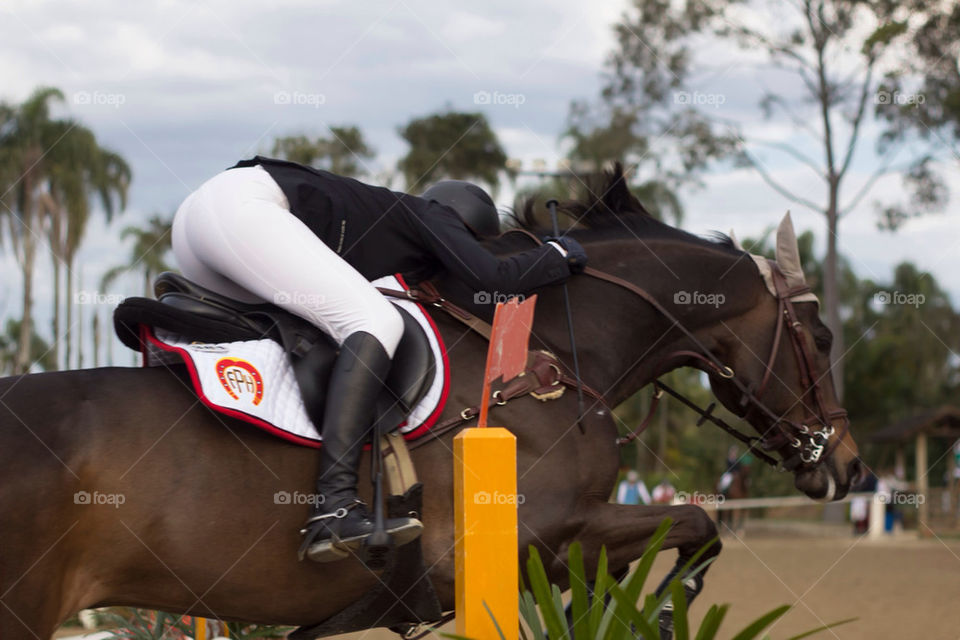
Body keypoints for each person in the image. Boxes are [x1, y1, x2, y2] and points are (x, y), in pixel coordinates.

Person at [171, 157, 587, 562]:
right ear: (466, 226)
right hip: (242, 207)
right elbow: (491, 278)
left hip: (196, 226)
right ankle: (334, 506)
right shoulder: (432, 215)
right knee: (376, 321)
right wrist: (556, 255)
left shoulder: (389, 238)